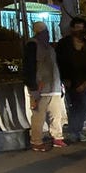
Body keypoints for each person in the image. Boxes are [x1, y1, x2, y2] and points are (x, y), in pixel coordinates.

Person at [26, 22, 67, 151]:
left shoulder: (48, 47)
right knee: (39, 116)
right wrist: (33, 87)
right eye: (44, 32)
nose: (47, 34)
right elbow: (29, 67)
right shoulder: (32, 45)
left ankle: (57, 137)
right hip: (40, 87)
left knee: (57, 114)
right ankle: (36, 141)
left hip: (53, 86)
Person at [56, 17, 86, 143]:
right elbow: (60, 62)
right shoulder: (64, 44)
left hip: (85, 81)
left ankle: (77, 130)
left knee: (84, 108)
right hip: (70, 81)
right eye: (77, 27)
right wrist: (65, 79)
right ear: (72, 28)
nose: (80, 30)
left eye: (82, 28)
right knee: (73, 107)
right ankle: (74, 132)